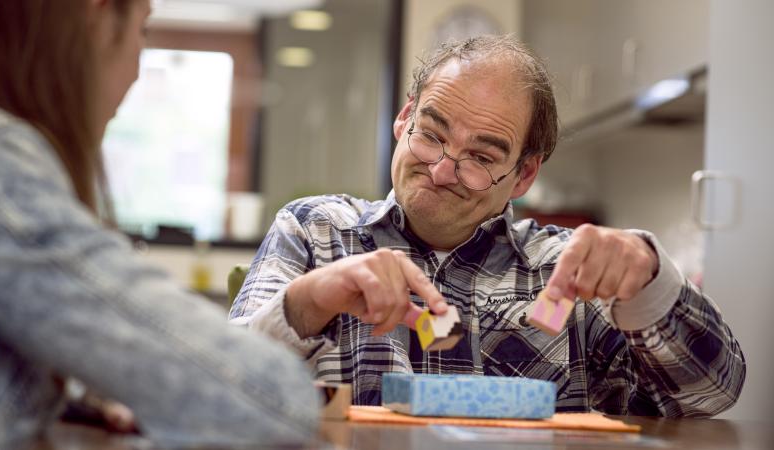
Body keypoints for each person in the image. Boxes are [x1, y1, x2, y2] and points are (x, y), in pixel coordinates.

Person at [230, 35, 746, 417]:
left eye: (479, 156)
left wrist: (650, 282)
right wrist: (309, 301)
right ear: (404, 118)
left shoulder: (567, 274)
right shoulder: (315, 231)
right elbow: (219, 378)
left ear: (524, 173)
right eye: (430, 135)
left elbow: (710, 393)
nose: (440, 169)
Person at [0, 1, 319, 448]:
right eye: (143, 29)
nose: (138, 70)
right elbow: (267, 399)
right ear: (95, 17)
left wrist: (70, 398)